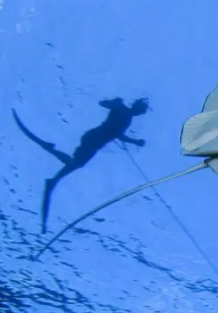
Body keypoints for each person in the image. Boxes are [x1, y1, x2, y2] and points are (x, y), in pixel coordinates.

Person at [12, 97, 150, 234]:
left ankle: (53, 177)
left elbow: (117, 133)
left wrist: (133, 140)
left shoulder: (126, 116)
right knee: (77, 163)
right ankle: (51, 160)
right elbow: (109, 115)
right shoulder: (123, 111)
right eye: (141, 111)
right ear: (137, 107)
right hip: (94, 140)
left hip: (95, 141)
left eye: (142, 112)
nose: (140, 114)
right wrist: (114, 106)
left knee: (76, 163)